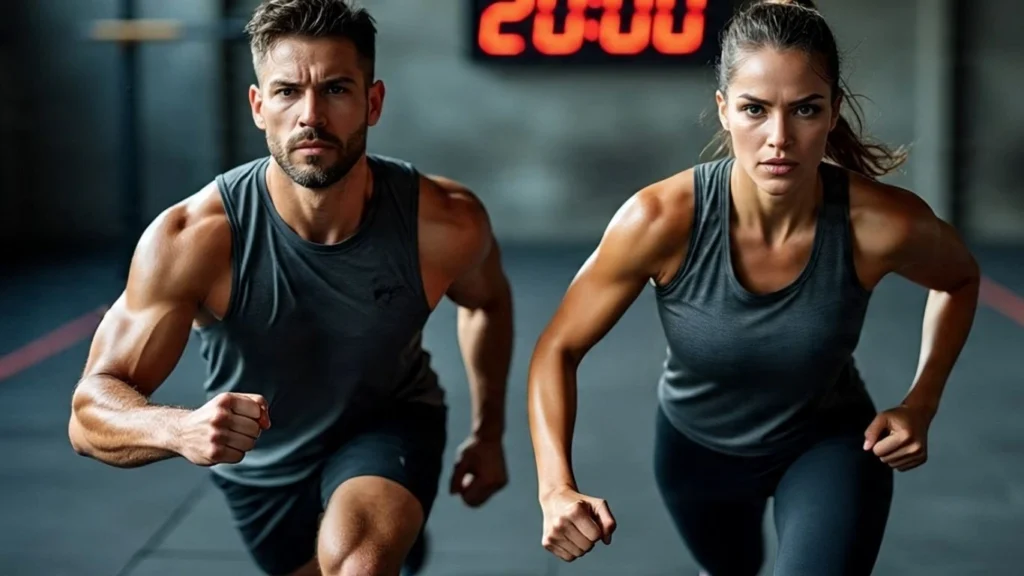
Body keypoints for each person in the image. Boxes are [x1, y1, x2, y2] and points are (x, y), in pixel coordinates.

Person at [527, 0, 980, 574]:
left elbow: (960, 279)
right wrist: (555, 490)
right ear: (723, 110)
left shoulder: (882, 224)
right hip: (698, 455)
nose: (779, 138)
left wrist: (922, 403)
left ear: (834, 111)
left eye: (805, 110)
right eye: (754, 109)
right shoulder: (660, 220)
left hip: (831, 446)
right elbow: (556, 349)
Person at [67, 1, 514, 575]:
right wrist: (178, 428)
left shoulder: (445, 222)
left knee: (359, 564)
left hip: (388, 422)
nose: (310, 115)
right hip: (259, 464)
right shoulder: (191, 237)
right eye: (286, 92)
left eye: (335, 89)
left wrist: (489, 432)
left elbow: (487, 302)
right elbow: (87, 415)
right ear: (258, 106)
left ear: (372, 103)